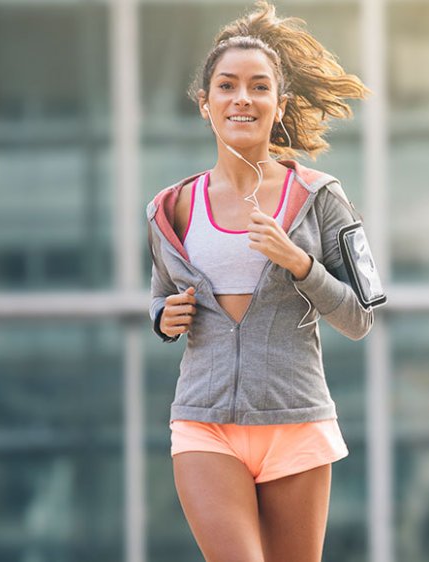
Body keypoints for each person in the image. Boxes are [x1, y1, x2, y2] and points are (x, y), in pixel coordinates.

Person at [144, 2, 374, 561]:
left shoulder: (321, 197)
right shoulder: (169, 208)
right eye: (226, 86)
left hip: (296, 422)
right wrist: (161, 318)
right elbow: (159, 297)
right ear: (205, 104)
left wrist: (301, 264)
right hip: (204, 423)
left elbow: (360, 318)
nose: (241, 98)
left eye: (258, 86)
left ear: (279, 104)